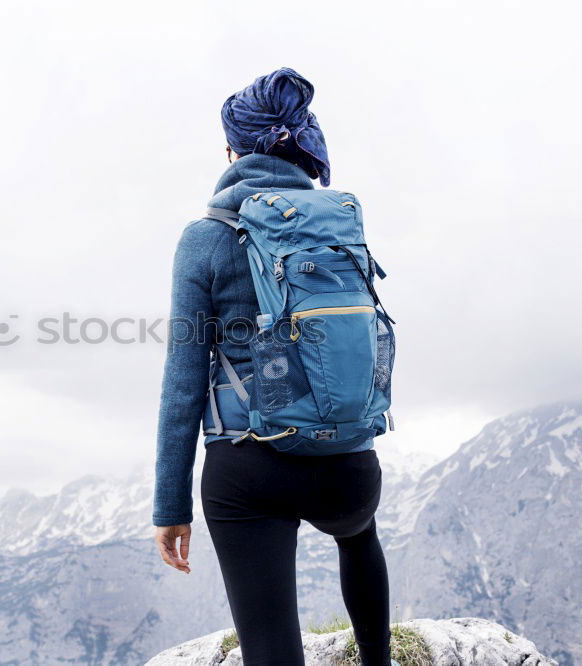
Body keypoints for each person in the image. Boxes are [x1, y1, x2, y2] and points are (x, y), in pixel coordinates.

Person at [152, 67, 397, 666]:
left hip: (250, 470)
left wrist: (170, 506)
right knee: (358, 537)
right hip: (348, 465)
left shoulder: (205, 237)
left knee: (270, 651)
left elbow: (183, 383)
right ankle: (378, 660)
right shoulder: (335, 225)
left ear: (232, 150)